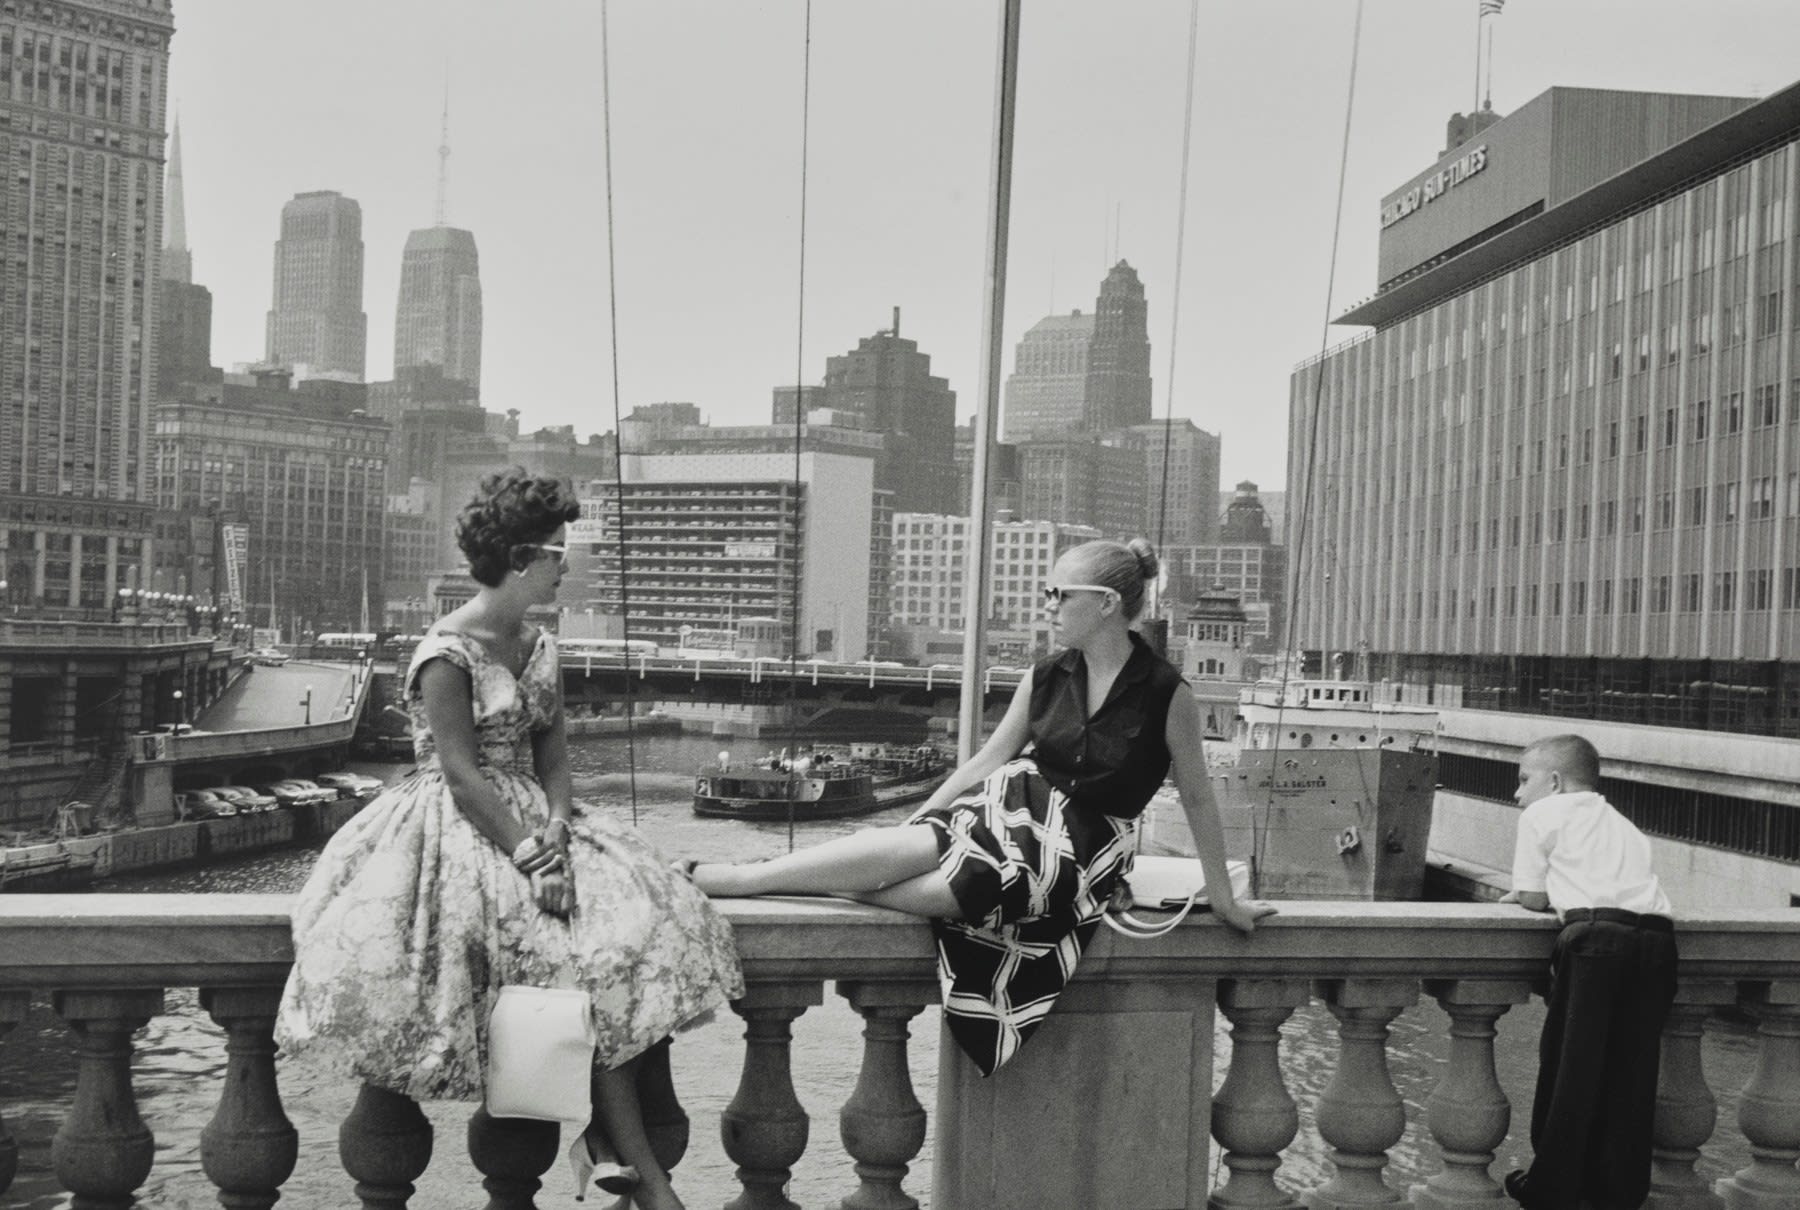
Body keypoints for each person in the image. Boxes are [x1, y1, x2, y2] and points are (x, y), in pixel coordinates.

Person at [278, 470, 744, 1210]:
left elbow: (555, 759)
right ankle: (642, 1172)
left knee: (635, 931)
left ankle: (613, 1146)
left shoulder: (540, 646)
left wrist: (557, 828)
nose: (566, 564)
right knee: (573, 954)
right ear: (521, 558)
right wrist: (531, 856)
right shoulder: (444, 652)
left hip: (536, 816)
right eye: (557, 553)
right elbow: (461, 774)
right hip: (464, 824)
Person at [687, 538, 1272, 1075]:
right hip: (1011, 806)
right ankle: (736, 879)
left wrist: (1222, 897)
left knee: (954, 889)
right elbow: (988, 760)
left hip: (1083, 846)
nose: (1046, 605)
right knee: (908, 846)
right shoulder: (1045, 675)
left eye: (1057, 594)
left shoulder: (1167, 692)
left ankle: (813, 881)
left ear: (1106, 604)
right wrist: (925, 817)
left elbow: (1197, 796)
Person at [1499, 734, 1677, 1210]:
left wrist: (1522, 894)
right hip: (1658, 942)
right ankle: (1618, 1192)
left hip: (1596, 941)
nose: (1517, 794)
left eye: (1523, 780)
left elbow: (1535, 897)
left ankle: (1550, 1188)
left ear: (1554, 782)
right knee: (1633, 1071)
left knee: (1571, 1067)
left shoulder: (1542, 814)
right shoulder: (1625, 825)